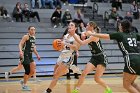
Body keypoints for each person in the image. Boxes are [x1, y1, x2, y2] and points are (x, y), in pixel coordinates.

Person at [86, 19, 140, 93]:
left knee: (126, 85)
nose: (119, 26)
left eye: (120, 25)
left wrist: (92, 34)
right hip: (138, 58)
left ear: (122, 27)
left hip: (131, 59)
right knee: (132, 83)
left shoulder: (120, 34)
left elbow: (104, 36)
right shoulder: (134, 34)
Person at [69, 21, 112, 93]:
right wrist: (82, 34)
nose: (86, 26)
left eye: (87, 25)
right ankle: (76, 90)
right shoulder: (88, 32)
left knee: (96, 79)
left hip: (101, 57)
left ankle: (108, 89)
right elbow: (83, 33)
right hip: (94, 57)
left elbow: (82, 43)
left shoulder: (94, 36)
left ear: (91, 27)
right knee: (83, 73)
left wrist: (74, 35)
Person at [44, 21, 81, 93]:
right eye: (69, 25)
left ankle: (48, 90)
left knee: (57, 74)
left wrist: (66, 43)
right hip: (62, 55)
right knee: (55, 74)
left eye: (72, 25)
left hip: (69, 56)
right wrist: (58, 47)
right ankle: (66, 71)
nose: (69, 26)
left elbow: (76, 47)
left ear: (75, 28)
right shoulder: (65, 36)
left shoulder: (76, 36)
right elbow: (63, 46)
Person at [19, 26, 41, 91]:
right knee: (27, 70)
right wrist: (20, 51)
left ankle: (23, 80)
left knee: (33, 71)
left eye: (34, 30)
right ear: (28, 30)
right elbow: (20, 44)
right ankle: (24, 86)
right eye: (31, 29)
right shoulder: (26, 36)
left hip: (30, 55)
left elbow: (33, 48)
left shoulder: (34, 37)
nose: (33, 31)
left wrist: (37, 55)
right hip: (24, 55)